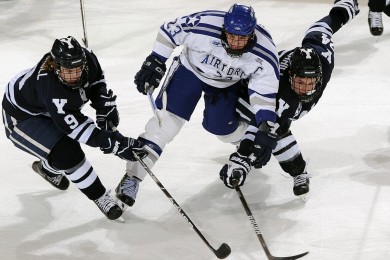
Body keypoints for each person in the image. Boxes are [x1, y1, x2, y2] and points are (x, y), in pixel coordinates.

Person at [115, 4, 280, 208]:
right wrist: (155, 60)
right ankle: (133, 177)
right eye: (231, 36)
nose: (236, 43)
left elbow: (264, 94)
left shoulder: (265, 52)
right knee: (166, 123)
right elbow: (169, 30)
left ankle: (242, 142)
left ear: (252, 34)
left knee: (221, 128)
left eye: (242, 38)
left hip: (226, 85)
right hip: (189, 71)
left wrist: (262, 129)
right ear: (223, 30)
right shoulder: (205, 24)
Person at [219, 0, 360, 199]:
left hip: (280, 101)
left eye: (311, 82)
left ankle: (297, 171)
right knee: (273, 128)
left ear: (319, 76)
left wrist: (345, 7)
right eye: (300, 82)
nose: (305, 88)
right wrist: (242, 159)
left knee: (277, 127)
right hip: (248, 90)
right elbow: (263, 128)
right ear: (291, 76)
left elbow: (323, 27)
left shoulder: (323, 56)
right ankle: (298, 171)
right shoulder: (281, 89)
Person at [1, 36, 146, 220]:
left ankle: (48, 169)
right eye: (68, 70)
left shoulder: (88, 58)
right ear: (55, 65)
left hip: (44, 106)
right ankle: (101, 197)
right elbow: (78, 129)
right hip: (21, 118)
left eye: (78, 69)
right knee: (68, 154)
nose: (74, 75)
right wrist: (115, 143)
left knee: (62, 155)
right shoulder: (51, 88)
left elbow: (96, 82)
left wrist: (103, 106)